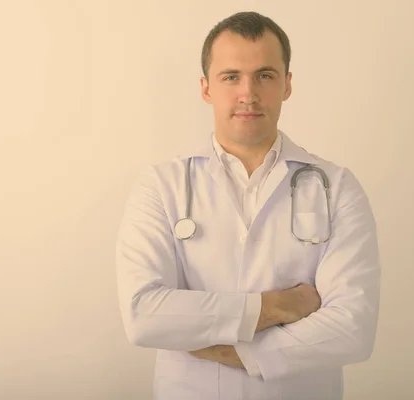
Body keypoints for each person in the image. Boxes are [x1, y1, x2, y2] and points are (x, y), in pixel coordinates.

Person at [115, 11, 381, 400]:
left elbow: (353, 327)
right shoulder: (161, 186)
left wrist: (237, 351)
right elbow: (143, 316)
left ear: (287, 85)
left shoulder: (336, 187)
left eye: (265, 75)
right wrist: (273, 307)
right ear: (206, 88)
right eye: (231, 77)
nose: (248, 93)